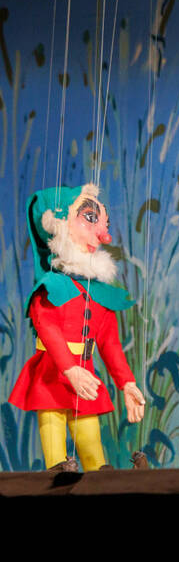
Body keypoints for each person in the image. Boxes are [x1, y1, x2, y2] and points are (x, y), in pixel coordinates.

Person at [8, 183, 145, 471]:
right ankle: (57, 469)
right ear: (58, 223)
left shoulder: (98, 293)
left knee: (90, 438)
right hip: (52, 373)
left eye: (104, 222)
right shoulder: (50, 288)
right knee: (53, 426)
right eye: (90, 218)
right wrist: (69, 369)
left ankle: (99, 474)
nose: (104, 235)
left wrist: (127, 383)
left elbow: (109, 343)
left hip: (86, 374)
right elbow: (47, 328)